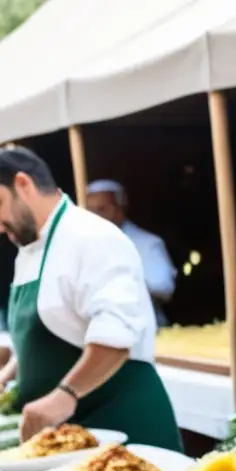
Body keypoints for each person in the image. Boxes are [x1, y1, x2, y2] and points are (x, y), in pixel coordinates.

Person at [0, 149, 181, 448]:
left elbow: (115, 333)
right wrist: (8, 374)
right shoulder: (28, 251)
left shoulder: (92, 237)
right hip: (65, 435)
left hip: (119, 422)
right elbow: (49, 332)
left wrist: (64, 396)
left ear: (23, 184)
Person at [86, 179, 177, 327]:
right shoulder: (82, 244)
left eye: (102, 209)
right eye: (91, 210)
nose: (96, 215)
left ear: (120, 210)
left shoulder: (147, 243)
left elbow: (164, 288)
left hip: (144, 332)